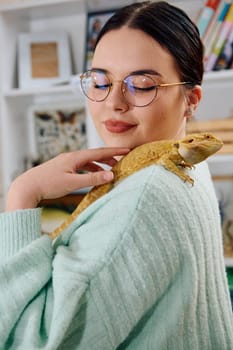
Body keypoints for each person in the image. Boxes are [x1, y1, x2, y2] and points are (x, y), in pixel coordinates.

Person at [0, 1, 232, 349]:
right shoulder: (185, 159)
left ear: (191, 99)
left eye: (141, 84)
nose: (114, 102)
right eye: (99, 81)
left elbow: (27, 341)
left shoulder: (146, 196)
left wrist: (22, 193)